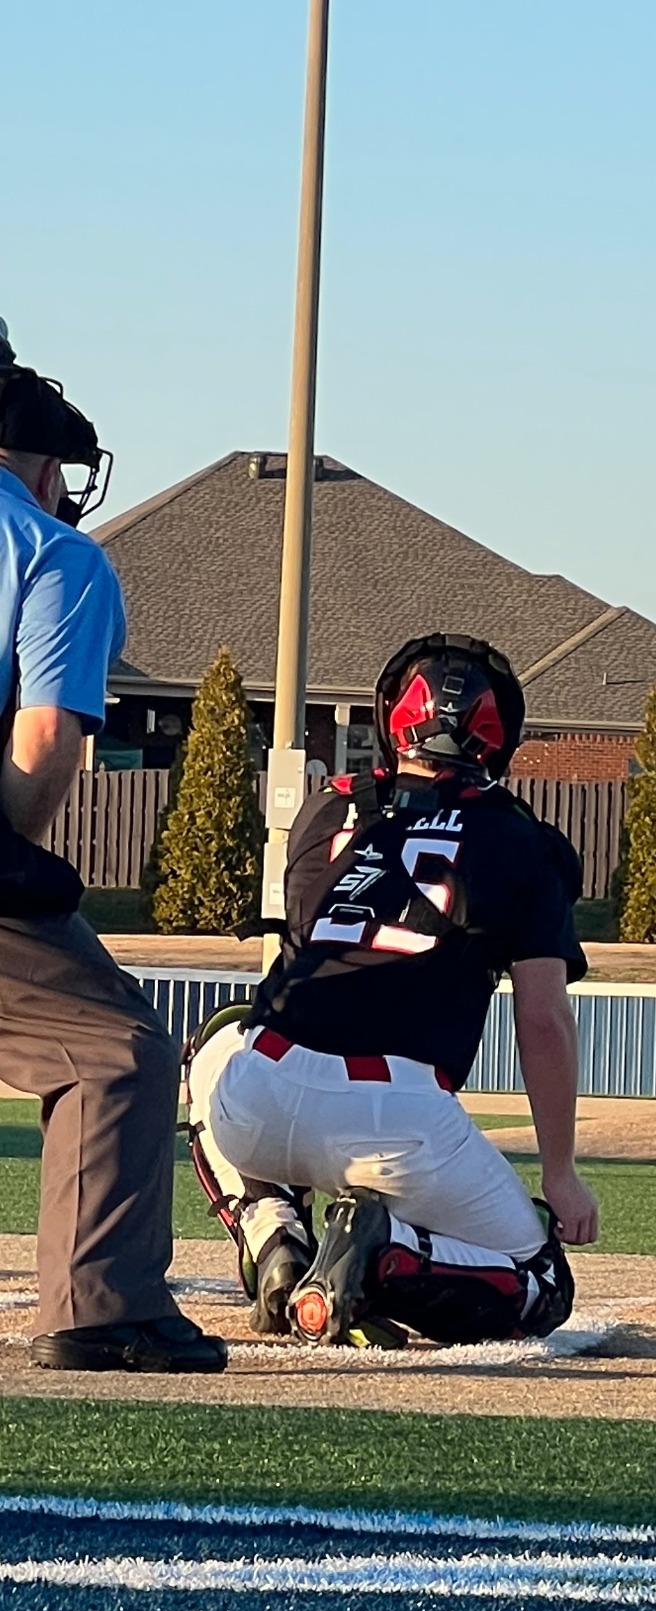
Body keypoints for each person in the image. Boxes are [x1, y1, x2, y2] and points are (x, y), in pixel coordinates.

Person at [185, 632, 599, 1348]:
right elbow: (543, 1019)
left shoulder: (325, 809)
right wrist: (559, 1172)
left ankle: (272, 1233)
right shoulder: (521, 840)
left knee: (222, 1036)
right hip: (393, 1119)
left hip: (260, 1092)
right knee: (539, 1284)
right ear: (496, 738)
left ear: (392, 719)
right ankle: (381, 1257)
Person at [0, 333, 225, 1371]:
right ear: (42, 462)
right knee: (113, 1051)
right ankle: (100, 1305)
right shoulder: (54, 554)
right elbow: (45, 739)